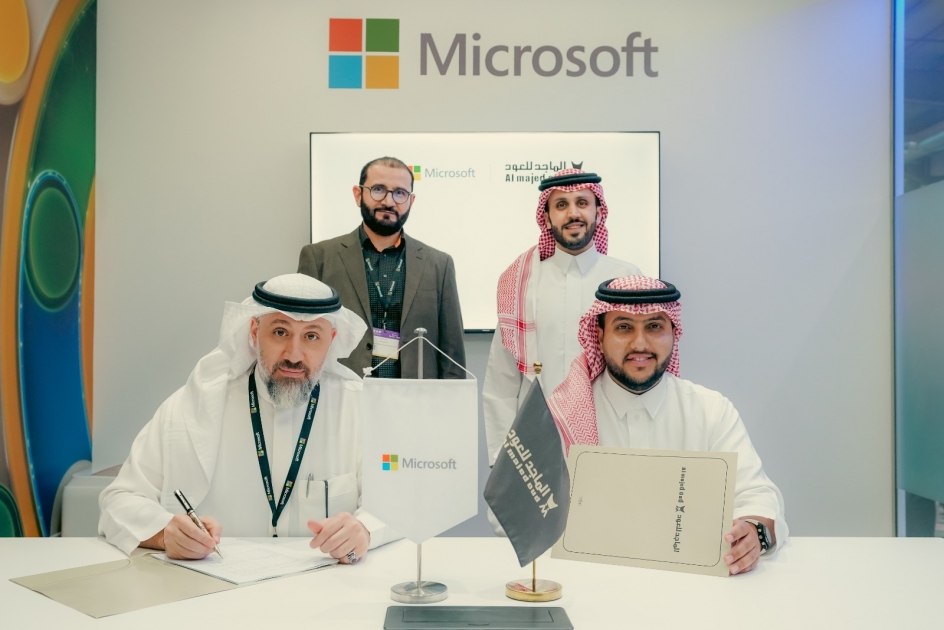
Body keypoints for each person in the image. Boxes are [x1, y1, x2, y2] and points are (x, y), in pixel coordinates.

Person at [99, 274, 397, 562]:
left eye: (311, 336)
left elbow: (403, 496)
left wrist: (365, 530)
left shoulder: (361, 409)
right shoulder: (191, 408)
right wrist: (164, 533)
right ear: (254, 332)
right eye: (280, 332)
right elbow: (120, 500)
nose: (294, 355)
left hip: (327, 590)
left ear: (331, 339)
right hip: (212, 589)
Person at [548, 275, 787, 575]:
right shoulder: (564, 416)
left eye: (654, 327)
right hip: (588, 581)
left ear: (674, 332)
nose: (640, 343)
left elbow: (757, 497)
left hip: (691, 587)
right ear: (599, 335)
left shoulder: (710, 411)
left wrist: (753, 533)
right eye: (624, 327)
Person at [483, 168, 641, 463]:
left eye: (582, 203)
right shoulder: (522, 283)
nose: (573, 213)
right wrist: (502, 459)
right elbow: (502, 382)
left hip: (611, 437)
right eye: (561, 205)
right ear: (546, 217)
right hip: (539, 440)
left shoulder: (624, 278)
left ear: (598, 212)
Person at [298, 156, 465, 379]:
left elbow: (452, 354)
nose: (389, 201)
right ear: (358, 195)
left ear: (411, 201)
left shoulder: (439, 264)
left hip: (416, 394)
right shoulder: (319, 258)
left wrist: (453, 397)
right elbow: (300, 340)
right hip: (341, 391)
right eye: (378, 190)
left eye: (400, 193)